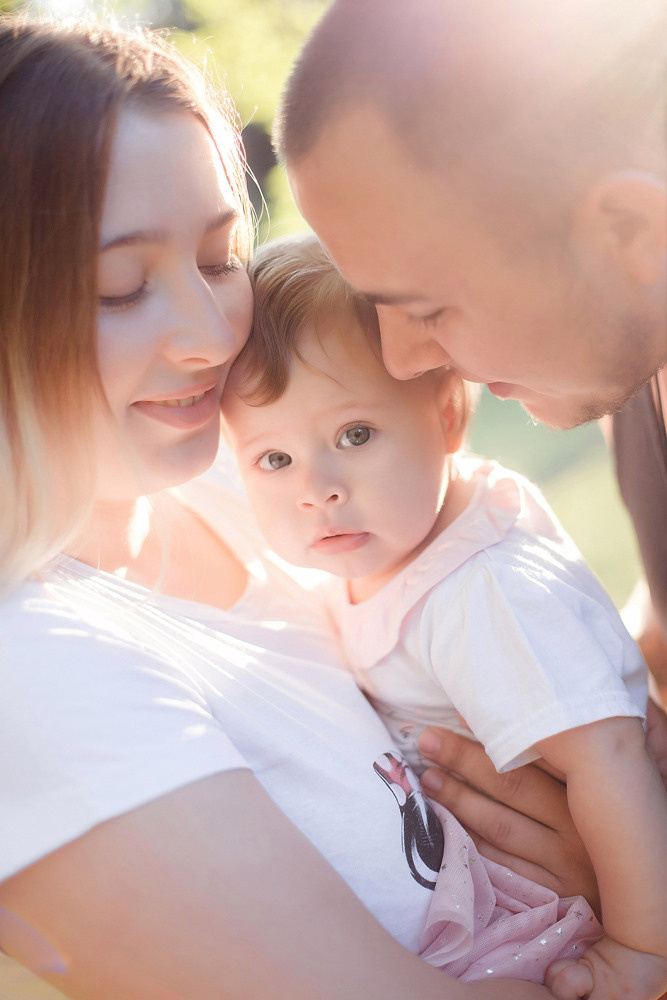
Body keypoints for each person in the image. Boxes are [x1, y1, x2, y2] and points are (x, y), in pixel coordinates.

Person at [0, 13, 576, 1000]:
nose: (209, 337)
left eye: (222, 261)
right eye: (121, 286)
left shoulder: (243, 481)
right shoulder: (33, 671)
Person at [274, 0, 667, 947]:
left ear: (633, 232)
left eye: (429, 308)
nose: (407, 362)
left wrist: (631, 905)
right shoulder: (628, 377)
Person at [221, 233, 667, 998]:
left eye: (354, 435)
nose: (317, 487)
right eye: (274, 459)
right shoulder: (386, 555)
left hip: (591, 903)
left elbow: (610, 762)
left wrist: (639, 947)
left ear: (446, 416)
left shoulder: (476, 593)